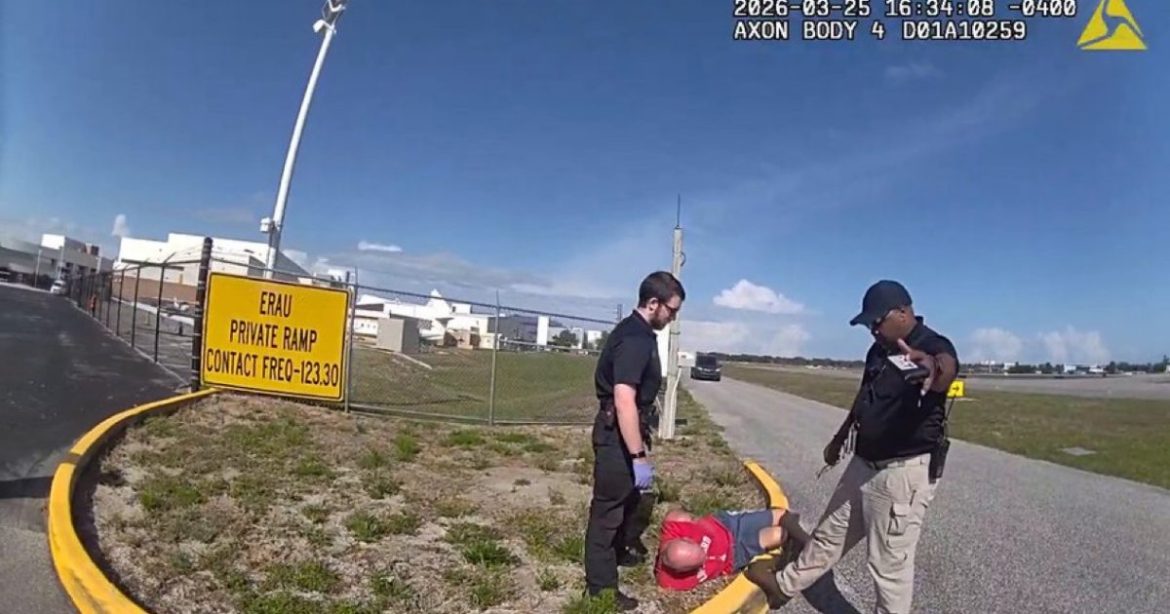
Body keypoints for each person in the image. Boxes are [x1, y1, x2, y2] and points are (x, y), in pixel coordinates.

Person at [746, 280, 959, 613]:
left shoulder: (931, 344)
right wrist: (840, 436)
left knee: (889, 568)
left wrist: (931, 368)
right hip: (863, 463)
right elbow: (864, 397)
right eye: (868, 325)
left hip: (900, 475)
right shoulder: (878, 351)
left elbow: (944, 367)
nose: (872, 330)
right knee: (829, 533)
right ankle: (783, 586)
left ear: (903, 313)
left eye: (877, 322)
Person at [583, 270, 685, 611]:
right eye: (671, 310)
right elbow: (624, 399)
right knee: (606, 513)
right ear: (653, 303)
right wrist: (638, 456)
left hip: (624, 432)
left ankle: (619, 554)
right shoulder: (636, 339)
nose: (673, 317)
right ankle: (600, 592)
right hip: (618, 436)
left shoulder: (637, 332)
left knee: (624, 503)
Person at [656, 506, 812, 591]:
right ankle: (799, 553)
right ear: (680, 571)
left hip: (729, 527)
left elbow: (675, 512)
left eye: (702, 550)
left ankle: (809, 544)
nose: (707, 556)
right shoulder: (671, 581)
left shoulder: (676, 524)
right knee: (778, 535)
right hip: (735, 555)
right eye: (700, 563)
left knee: (782, 515)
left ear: (685, 539)